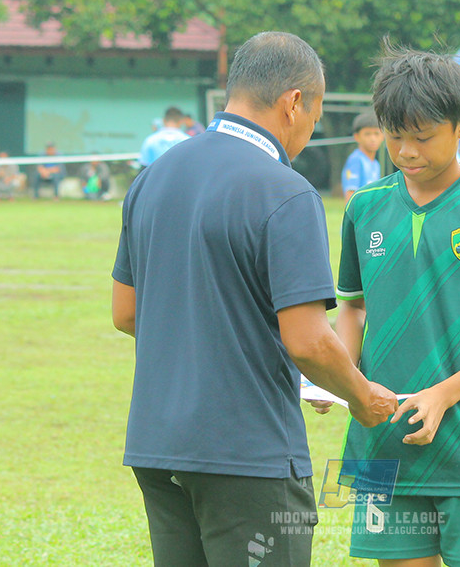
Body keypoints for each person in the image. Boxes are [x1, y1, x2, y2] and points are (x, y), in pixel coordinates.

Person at [111, 31, 398, 566]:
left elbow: (126, 313)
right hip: (247, 455)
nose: (309, 133)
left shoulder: (152, 178)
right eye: (314, 117)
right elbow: (309, 343)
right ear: (294, 103)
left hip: (157, 445)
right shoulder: (283, 190)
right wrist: (362, 397)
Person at [334, 46, 460, 566]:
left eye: (422, 136)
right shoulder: (363, 209)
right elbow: (353, 311)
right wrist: (337, 378)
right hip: (383, 443)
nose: (405, 150)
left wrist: (443, 394)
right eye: (394, 134)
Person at [341, 109, 384, 201]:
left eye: (376, 134)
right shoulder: (356, 160)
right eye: (367, 134)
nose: (373, 139)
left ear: (383, 136)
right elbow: (350, 193)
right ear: (357, 137)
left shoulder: (376, 164)